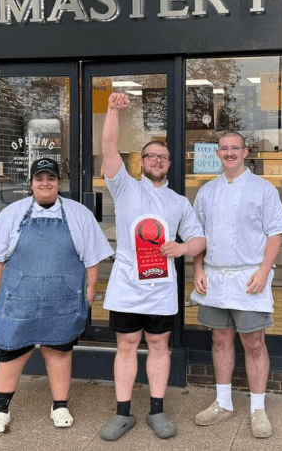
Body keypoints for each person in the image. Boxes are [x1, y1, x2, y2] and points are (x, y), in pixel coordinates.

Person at [0, 158, 114, 436]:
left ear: (58, 182)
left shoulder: (78, 214)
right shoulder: (13, 213)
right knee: (11, 353)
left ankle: (60, 405)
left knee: (59, 351)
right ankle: (0, 409)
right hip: (20, 297)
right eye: (39, 178)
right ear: (31, 183)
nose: (45, 183)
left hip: (62, 298)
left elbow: (93, 257)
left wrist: (89, 290)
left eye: (50, 178)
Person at [99, 92, 206, 441]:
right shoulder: (125, 188)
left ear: (170, 164)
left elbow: (199, 240)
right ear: (141, 162)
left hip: (161, 287)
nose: (158, 160)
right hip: (128, 284)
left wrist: (181, 247)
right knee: (127, 345)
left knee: (159, 345)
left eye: (163, 157)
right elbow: (110, 150)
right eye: (151, 156)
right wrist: (113, 112)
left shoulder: (178, 202)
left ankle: (157, 412)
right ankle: (123, 413)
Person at [190, 131, 282, 439]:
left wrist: (264, 271)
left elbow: (276, 233)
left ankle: (257, 408)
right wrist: (197, 269)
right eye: (224, 148)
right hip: (215, 278)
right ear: (217, 153)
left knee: (254, 342)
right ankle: (223, 402)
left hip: (250, 278)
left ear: (245, 152)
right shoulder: (207, 192)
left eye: (235, 148)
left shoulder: (264, 190)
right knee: (220, 339)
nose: (230, 152)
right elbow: (198, 237)